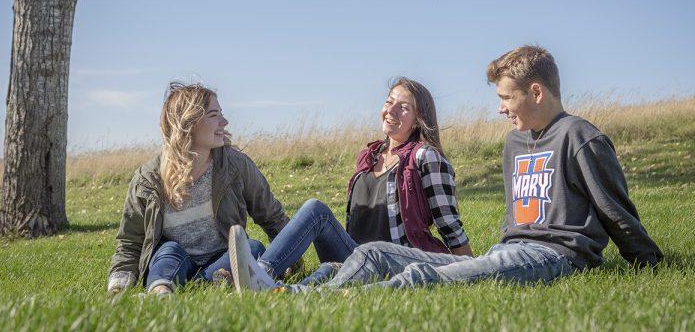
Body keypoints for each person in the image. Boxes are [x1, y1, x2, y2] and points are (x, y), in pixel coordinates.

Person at [230, 46, 663, 293]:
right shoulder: (514, 143)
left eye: (506, 98)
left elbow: (615, 210)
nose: (500, 108)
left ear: (535, 92)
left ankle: (294, 296)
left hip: (555, 257)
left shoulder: (580, 137)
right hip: (508, 251)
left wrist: (649, 264)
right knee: (371, 252)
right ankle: (291, 289)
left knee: (425, 277)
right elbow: (517, 220)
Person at [228, 77, 471, 292]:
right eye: (389, 102)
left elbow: (448, 224)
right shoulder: (368, 156)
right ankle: (261, 271)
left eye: (404, 107)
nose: (392, 110)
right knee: (316, 211)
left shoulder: (425, 157)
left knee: (327, 264)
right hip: (353, 254)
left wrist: (472, 269)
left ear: (418, 120)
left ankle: (272, 285)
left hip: (392, 261)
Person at [107, 82, 290, 295]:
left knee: (253, 247)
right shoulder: (147, 179)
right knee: (168, 250)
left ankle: (214, 282)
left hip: (221, 260)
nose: (225, 121)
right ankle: (160, 290)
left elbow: (271, 216)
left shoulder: (235, 165)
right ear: (188, 123)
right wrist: (119, 283)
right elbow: (130, 242)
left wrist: (290, 259)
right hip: (175, 263)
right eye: (214, 115)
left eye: (221, 113)